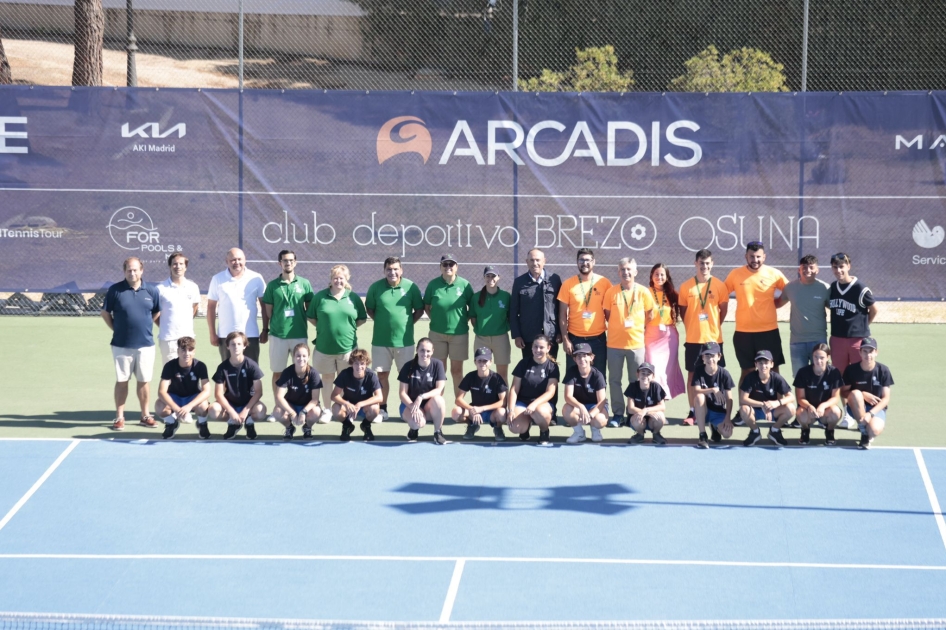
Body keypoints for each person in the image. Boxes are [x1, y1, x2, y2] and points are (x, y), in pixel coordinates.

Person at [101, 256, 161, 431]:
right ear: (124, 271)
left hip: (146, 345)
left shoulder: (151, 290)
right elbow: (105, 313)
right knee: (122, 381)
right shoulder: (115, 290)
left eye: (135, 270)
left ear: (141, 270)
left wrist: (145, 325)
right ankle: (119, 417)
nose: (132, 272)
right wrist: (117, 329)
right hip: (121, 345)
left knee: (144, 381)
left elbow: (156, 312)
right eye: (129, 270)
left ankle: (145, 416)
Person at [365, 256, 425, 421]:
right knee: (382, 376)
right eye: (389, 269)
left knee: (406, 376)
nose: (392, 272)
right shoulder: (375, 288)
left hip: (404, 342)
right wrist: (382, 322)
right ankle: (383, 409)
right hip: (380, 342)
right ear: (384, 271)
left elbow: (419, 310)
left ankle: (407, 408)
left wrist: (407, 324)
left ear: (401, 270)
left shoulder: (411, 287)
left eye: (395, 269)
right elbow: (370, 308)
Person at [308, 264, 368, 420]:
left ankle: (342, 408)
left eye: (341, 278)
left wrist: (347, 329)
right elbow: (312, 317)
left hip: (348, 348)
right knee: (327, 378)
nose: (338, 281)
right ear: (330, 279)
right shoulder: (320, 297)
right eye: (335, 278)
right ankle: (327, 409)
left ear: (346, 279)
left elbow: (361, 319)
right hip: (324, 348)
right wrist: (324, 329)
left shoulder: (353, 297)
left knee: (345, 379)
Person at [724, 242, 788, 385]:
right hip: (743, 333)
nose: (755, 260)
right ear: (746, 256)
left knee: (773, 370)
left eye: (758, 256)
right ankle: (744, 406)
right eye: (751, 256)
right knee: (747, 371)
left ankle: (777, 405)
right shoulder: (735, 274)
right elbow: (721, 293)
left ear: (764, 257)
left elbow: (790, 291)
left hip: (769, 331)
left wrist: (778, 303)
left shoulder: (774, 273)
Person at [678, 249, 728, 425]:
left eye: (707, 263)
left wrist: (712, 327)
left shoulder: (720, 286)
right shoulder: (685, 287)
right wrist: (695, 326)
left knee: (717, 375)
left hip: (714, 340)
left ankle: (716, 409)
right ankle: (693, 411)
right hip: (693, 340)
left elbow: (723, 311)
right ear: (695, 263)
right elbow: (683, 313)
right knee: (693, 376)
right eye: (701, 263)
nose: (704, 266)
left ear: (712, 264)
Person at [262, 250, 314, 421]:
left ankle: (305, 407)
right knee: (278, 373)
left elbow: (310, 309)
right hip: (278, 335)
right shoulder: (272, 286)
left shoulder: (305, 284)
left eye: (291, 260)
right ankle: (278, 408)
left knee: (302, 372)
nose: (288, 263)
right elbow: (268, 311)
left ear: (296, 262)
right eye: (285, 261)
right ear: (279, 263)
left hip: (299, 334)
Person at [603, 258, 654, 428]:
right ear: (618, 272)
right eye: (623, 269)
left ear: (635, 272)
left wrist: (635, 329)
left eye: (629, 269)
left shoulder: (644, 292)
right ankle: (618, 414)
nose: (626, 272)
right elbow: (608, 315)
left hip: (636, 345)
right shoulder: (611, 292)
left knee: (636, 380)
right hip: (614, 345)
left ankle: (635, 414)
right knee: (615, 380)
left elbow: (650, 314)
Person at [424, 253, 474, 399]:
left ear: (456, 267)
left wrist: (463, 320)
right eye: (445, 264)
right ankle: (437, 404)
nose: (448, 267)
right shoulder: (433, 285)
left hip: (459, 334)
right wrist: (436, 319)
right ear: (440, 267)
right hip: (436, 335)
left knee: (457, 371)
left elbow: (473, 306)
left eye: (451, 264)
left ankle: (460, 405)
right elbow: (427, 306)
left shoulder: (465, 285)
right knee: (439, 371)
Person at [207, 248, 267, 362]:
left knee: (251, 374)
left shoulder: (256, 278)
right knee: (227, 374)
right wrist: (212, 333)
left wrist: (265, 330)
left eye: (239, 259)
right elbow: (211, 307)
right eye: (233, 260)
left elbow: (264, 305)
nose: (237, 262)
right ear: (227, 261)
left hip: (251, 335)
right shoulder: (217, 279)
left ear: (245, 260)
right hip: (225, 335)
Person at [558, 248, 611, 376]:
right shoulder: (568, 284)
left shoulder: (604, 283)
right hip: (575, 339)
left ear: (594, 262)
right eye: (581, 260)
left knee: (599, 376)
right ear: (577, 262)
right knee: (574, 377)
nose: (584, 263)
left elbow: (609, 313)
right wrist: (566, 339)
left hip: (598, 340)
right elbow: (562, 314)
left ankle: (599, 397)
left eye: (587, 260)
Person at [776, 254, 830, 378]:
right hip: (797, 342)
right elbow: (777, 303)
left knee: (822, 376)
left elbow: (836, 308)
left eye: (811, 267)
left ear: (817, 270)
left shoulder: (825, 288)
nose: (807, 270)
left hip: (819, 341)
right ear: (799, 269)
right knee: (800, 379)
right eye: (804, 267)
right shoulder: (790, 287)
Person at [208, 331, 268, 440]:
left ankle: (249, 422)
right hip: (230, 403)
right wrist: (231, 412)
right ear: (227, 346)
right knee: (213, 410)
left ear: (244, 346)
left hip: (248, 404)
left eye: (239, 344)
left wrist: (245, 411)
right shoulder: (222, 367)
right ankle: (233, 423)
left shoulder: (252, 365)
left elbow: (259, 391)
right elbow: (218, 394)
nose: (236, 347)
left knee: (261, 411)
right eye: (233, 344)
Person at [829, 253, 878, 376]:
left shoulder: (860, 288)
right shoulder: (833, 287)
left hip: (857, 340)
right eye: (835, 267)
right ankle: (842, 396)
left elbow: (874, 310)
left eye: (841, 266)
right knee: (838, 375)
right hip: (837, 338)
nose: (838, 270)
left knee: (860, 374)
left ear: (848, 266)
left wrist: (864, 325)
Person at [510, 248, 562, 360]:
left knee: (551, 370)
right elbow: (513, 311)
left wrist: (560, 333)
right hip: (528, 336)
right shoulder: (519, 282)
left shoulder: (555, 279)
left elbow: (560, 309)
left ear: (544, 261)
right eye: (532, 260)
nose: (535, 263)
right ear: (527, 262)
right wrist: (517, 336)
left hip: (551, 335)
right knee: (529, 371)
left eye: (538, 260)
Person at [507, 335, 560, 446]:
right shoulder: (523, 363)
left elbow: (550, 392)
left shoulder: (552, 367)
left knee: (540, 412)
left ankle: (544, 431)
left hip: (542, 405)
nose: (538, 350)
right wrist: (511, 410)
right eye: (535, 347)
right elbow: (514, 389)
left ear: (548, 348)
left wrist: (534, 404)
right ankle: (525, 428)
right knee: (514, 427)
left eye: (541, 347)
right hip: (523, 403)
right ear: (532, 348)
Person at [841, 337, 892, 450]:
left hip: (876, 409)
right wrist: (863, 394)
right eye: (864, 351)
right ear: (860, 352)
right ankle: (863, 432)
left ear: (876, 353)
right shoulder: (851, 370)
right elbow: (844, 392)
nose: (868, 354)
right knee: (855, 393)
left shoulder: (883, 370)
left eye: (871, 351)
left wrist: (870, 414)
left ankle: (868, 430)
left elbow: (886, 399)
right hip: (856, 406)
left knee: (874, 430)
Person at [644, 263, 686, 400]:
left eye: (662, 274)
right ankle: (655, 399)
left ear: (667, 277)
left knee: (667, 370)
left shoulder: (673, 294)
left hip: (669, 337)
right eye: (656, 274)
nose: (659, 277)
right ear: (652, 276)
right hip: (651, 336)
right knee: (653, 368)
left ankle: (661, 400)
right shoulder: (645, 292)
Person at [156, 336, 211, 439]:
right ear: (178, 351)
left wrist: (189, 406)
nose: (186, 353)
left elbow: (207, 391)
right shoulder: (169, 366)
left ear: (194, 351)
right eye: (183, 350)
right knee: (159, 405)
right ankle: (171, 423)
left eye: (190, 350)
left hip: (192, 397)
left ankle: (202, 424)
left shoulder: (200, 366)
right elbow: (162, 391)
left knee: (203, 405)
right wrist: (176, 409)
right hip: (175, 397)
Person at [738, 350, 796, 447]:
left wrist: (777, 403)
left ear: (772, 364)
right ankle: (755, 431)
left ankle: (774, 430)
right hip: (755, 410)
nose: (763, 366)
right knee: (744, 409)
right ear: (756, 364)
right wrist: (763, 405)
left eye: (766, 363)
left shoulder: (777, 378)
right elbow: (743, 399)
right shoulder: (750, 377)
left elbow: (791, 397)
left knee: (791, 408)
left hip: (773, 410)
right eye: (760, 363)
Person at [399, 338, 449, 444]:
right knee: (417, 423)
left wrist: (421, 397)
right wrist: (413, 406)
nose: (425, 354)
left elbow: (439, 389)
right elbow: (402, 393)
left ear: (432, 351)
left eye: (428, 351)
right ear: (417, 350)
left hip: (429, 406)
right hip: (409, 405)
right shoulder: (408, 366)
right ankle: (413, 429)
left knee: (439, 400)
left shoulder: (438, 364)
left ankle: (437, 432)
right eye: (422, 350)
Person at [452, 347, 508, 442]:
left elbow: (503, 401)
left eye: (485, 361)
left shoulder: (497, 378)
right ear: (475, 362)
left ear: (490, 362)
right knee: (455, 412)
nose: (482, 363)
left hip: (492, 413)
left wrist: (482, 408)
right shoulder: (470, 376)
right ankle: (472, 425)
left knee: (502, 413)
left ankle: (498, 428)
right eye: (479, 361)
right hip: (474, 411)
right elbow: (458, 399)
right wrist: (472, 410)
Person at [155, 252, 201, 367]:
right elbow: (155, 314)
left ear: (186, 267)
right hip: (168, 340)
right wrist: (166, 326)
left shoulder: (193, 287)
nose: (178, 267)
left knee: (188, 373)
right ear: (170, 266)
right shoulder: (160, 289)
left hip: (188, 339)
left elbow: (194, 309)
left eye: (181, 264)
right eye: (175, 264)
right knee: (170, 375)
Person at [793, 342, 843, 446]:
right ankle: (805, 430)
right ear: (812, 357)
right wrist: (810, 406)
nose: (818, 361)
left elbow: (835, 398)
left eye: (822, 357)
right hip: (808, 411)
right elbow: (800, 398)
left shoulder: (834, 372)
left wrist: (823, 406)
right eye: (816, 357)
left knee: (836, 412)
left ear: (828, 357)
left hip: (825, 411)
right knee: (800, 413)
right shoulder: (803, 372)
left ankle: (829, 431)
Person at [273, 343, 324, 440]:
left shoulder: (314, 374)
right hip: (291, 404)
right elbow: (279, 397)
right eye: (298, 356)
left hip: (307, 406)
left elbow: (315, 399)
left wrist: (303, 412)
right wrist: (292, 413)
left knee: (317, 412)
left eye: (304, 356)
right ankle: (289, 428)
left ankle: (307, 427)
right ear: (293, 357)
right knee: (277, 411)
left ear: (308, 357)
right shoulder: (287, 372)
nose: (301, 359)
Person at [470, 266, 511, 383]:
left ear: (498, 278)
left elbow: (510, 316)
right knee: (482, 372)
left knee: (502, 374)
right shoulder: (476, 297)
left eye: (493, 276)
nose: (490, 278)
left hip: (501, 338)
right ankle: (482, 400)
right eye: (488, 276)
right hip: (481, 339)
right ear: (484, 277)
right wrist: (482, 329)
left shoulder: (506, 296)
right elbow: (473, 317)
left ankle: (504, 401)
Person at [691, 342, 736, 449]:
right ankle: (703, 435)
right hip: (703, 410)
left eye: (713, 356)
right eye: (707, 356)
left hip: (718, 411)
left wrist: (728, 418)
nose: (710, 359)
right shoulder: (699, 370)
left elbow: (729, 399)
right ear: (703, 357)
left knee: (727, 434)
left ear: (719, 356)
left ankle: (714, 427)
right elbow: (696, 391)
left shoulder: (724, 374)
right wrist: (713, 390)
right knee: (699, 396)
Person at [331, 348, 382, 441]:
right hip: (349, 406)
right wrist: (346, 403)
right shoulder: (345, 374)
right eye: (356, 363)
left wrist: (361, 404)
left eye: (362, 363)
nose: (359, 367)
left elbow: (379, 397)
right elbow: (334, 395)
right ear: (351, 364)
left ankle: (366, 425)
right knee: (335, 409)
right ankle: (347, 426)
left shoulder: (371, 376)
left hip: (365, 406)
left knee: (375, 409)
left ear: (366, 364)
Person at [562, 343, 608, 444]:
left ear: (591, 357)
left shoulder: (598, 375)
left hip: (595, 406)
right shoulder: (571, 372)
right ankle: (579, 433)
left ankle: (595, 430)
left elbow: (601, 402)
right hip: (578, 406)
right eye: (578, 356)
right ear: (574, 359)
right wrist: (581, 407)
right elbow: (568, 396)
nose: (582, 359)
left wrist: (590, 416)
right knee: (566, 409)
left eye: (585, 355)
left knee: (600, 420)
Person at [625, 362, 669, 445]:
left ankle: (656, 434)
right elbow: (630, 409)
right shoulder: (632, 386)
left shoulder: (656, 387)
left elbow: (662, 407)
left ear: (653, 376)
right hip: (638, 419)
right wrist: (643, 413)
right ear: (637, 374)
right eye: (643, 373)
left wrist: (646, 411)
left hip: (652, 419)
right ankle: (640, 435)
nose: (645, 376)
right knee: (637, 419)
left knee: (660, 417)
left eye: (648, 374)